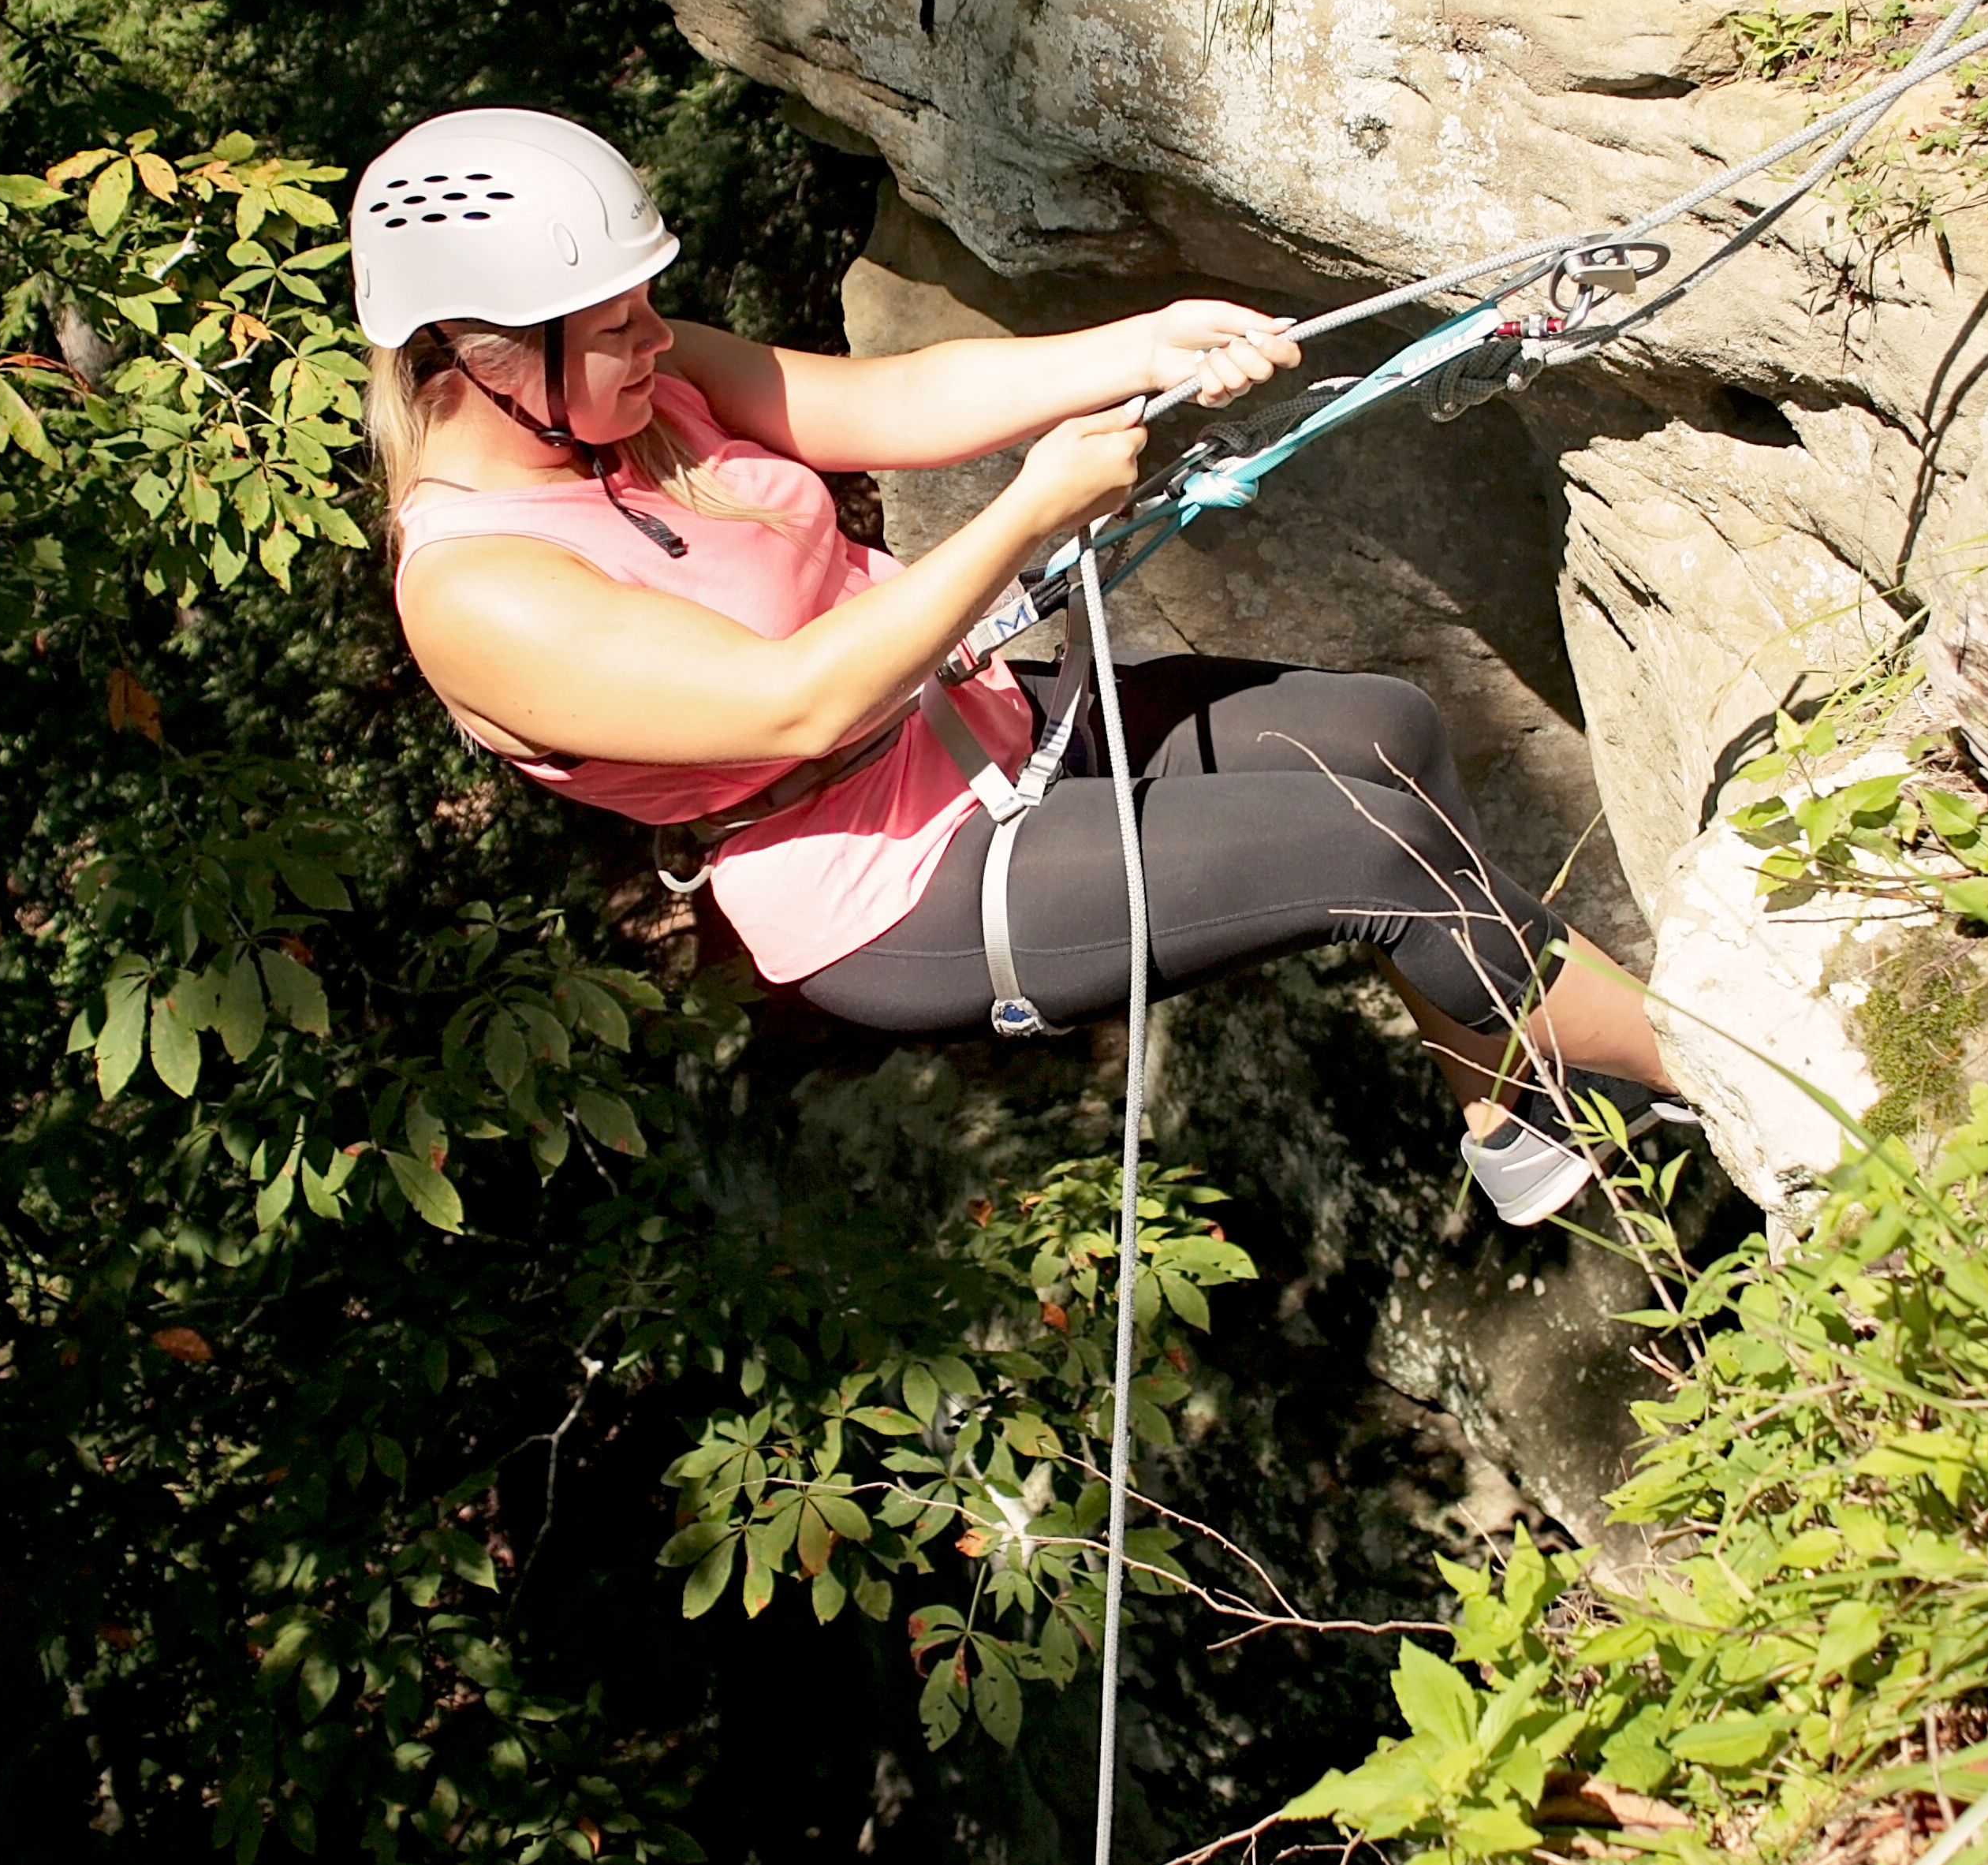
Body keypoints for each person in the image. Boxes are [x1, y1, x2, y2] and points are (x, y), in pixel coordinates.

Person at [354, 106, 1688, 1224]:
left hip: (978, 724)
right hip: (892, 885)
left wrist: (1141, 345)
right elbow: (800, 699)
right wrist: (1025, 516)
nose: (656, 337)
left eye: (648, 304)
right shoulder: (481, 592)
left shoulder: (638, 389)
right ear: (469, 362)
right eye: (613, 325)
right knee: (1374, 852)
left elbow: (883, 404)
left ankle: (1508, 1112)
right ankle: (1741, 1083)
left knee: (1380, 729)